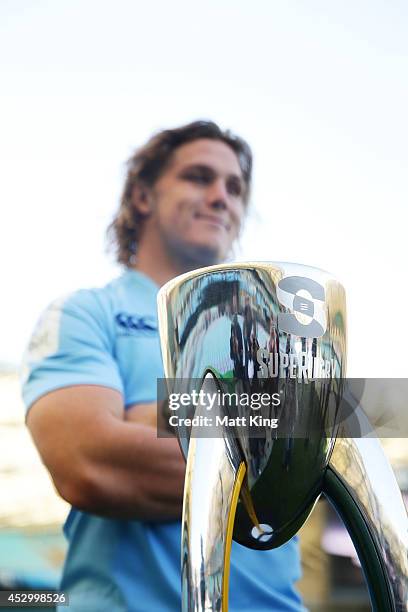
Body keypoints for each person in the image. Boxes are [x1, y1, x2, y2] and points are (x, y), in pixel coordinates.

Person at [21, 121, 304, 611]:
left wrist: (142, 417)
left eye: (235, 188)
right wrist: (256, 436)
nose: (222, 197)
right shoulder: (86, 313)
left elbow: (308, 461)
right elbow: (88, 462)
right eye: (199, 177)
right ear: (143, 197)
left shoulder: (274, 336)